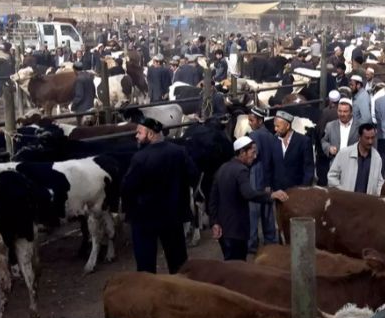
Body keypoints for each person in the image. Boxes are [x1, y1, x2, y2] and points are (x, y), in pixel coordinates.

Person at [121, 115, 198, 274]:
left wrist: (131, 210)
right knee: (178, 262)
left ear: (150, 134)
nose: (136, 136)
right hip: (173, 216)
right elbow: (193, 175)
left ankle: (150, 294)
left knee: (146, 265)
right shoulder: (179, 152)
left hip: (145, 218)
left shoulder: (140, 158)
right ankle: (180, 292)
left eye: (139, 133)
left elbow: (127, 187)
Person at [209, 136, 289, 261]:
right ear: (242, 152)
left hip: (223, 230)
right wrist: (271, 195)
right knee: (239, 269)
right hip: (237, 230)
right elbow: (248, 193)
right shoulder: (241, 170)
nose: (255, 156)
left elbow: (213, 199)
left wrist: (215, 223)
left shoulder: (222, 168)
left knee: (229, 265)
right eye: (252, 152)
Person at [246, 108, 278, 253]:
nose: (250, 123)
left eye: (252, 120)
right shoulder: (271, 136)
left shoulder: (253, 135)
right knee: (267, 211)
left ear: (260, 121)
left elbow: (252, 156)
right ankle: (270, 240)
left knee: (253, 210)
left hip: (256, 174)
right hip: (269, 175)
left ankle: (252, 243)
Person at [328, 123, 384, 195]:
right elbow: (332, 176)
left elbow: (379, 182)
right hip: (346, 201)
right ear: (359, 137)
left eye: (372, 138)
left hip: (366, 202)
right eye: (367, 138)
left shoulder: (376, 158)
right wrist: (342, 193)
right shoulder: (344, 154)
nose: (370, 141)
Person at [270, 110, 314, 191]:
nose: (275, 129)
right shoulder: (273, 141)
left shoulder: (303, 141)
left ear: (287, 126)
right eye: (274, 126)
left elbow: (308, 169)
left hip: (297, 192)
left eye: (278, 126)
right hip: (277, 191)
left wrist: (304, 190)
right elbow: (270, 166)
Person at [321, 99, 358, 165]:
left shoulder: (359, 127)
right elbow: (324, 141)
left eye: (345, 111)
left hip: (353, 164)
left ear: (351, 112)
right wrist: (329, 148)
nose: (342, 114)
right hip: (335, 164)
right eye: (340, 111)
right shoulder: (330, 126)